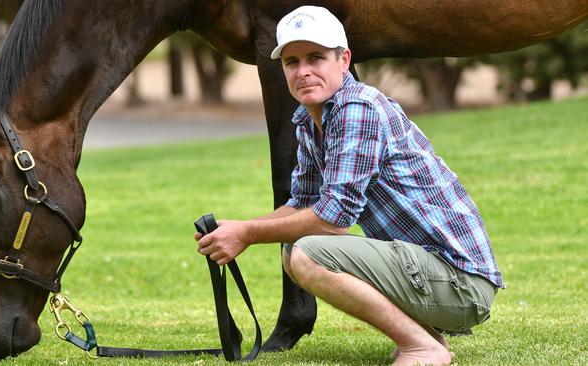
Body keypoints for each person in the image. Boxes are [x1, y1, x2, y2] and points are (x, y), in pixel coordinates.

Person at [195, 5, 504, 366]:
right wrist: (233, 231)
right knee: (294, 247)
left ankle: (424, 349)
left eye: (316, 57)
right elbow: (301, 205)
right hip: (427, 272)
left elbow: (334, 218)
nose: (303, 71)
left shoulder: (358, 108)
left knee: (309, 255)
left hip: (461, 284)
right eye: (292, 62)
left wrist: (247, 234)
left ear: (344, 60)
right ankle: (426, 338)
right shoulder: (311, 121)